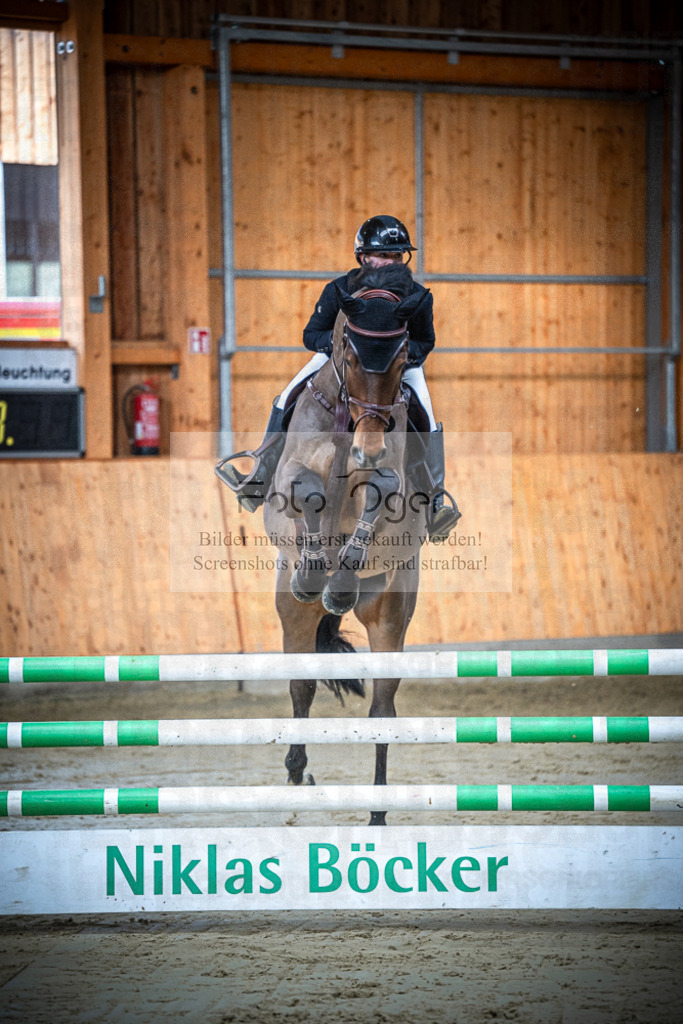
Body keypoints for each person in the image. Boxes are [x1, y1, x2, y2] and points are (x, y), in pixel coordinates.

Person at [216, 215, 460, 540]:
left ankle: (435, 500)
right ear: (363, 256)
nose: (392, 261)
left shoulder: (416, 295)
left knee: (426, 414)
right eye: (385, 255)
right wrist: (339, 351)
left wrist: (395, 356)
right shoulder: (340, 289)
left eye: (398, 255)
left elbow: (425, 342)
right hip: (340, 361)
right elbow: (310, 334)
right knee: (288, 394)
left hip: (395, 368)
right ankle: (260, 473)